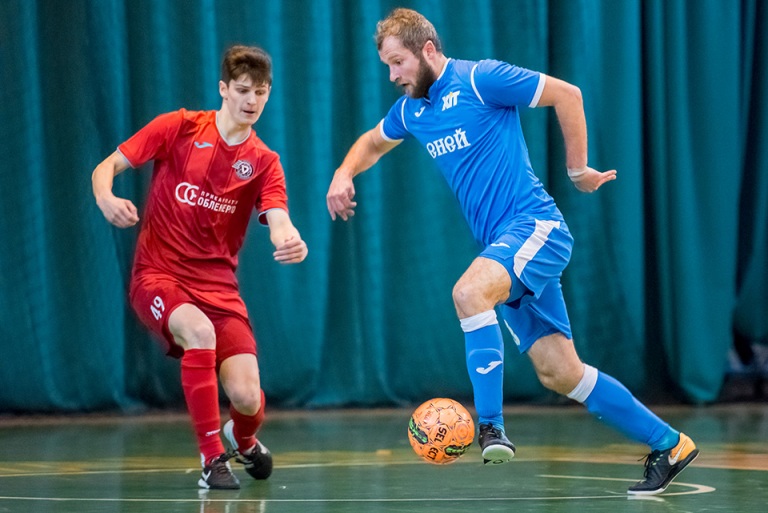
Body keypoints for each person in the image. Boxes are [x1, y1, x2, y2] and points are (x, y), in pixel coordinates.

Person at [326, 8, 698, 496]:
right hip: (506, 246)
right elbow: (372, 143)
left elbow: (568, 94)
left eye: (398, 63)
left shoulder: (481, 79)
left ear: (428, 50)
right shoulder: (412, 111)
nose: (393, 75)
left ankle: (491, 427)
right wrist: (343, 173)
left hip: (536, 227)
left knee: (469, 293)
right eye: (387, 66)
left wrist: (577, 170)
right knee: (561, 373)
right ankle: (670, 444)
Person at [92, 45, 308, 490]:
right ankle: (212, 461)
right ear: (223, 89)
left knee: (247, 397)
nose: (251, 100)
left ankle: (242, 440)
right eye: (243, 90)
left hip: (219, 289)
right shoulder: (179, 127)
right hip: (158, 276)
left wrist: (289, 239)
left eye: (260, 92)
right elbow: (107, 166)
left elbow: (278, 217)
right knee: (199, 333)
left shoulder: (264, 162)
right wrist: (106, 196)